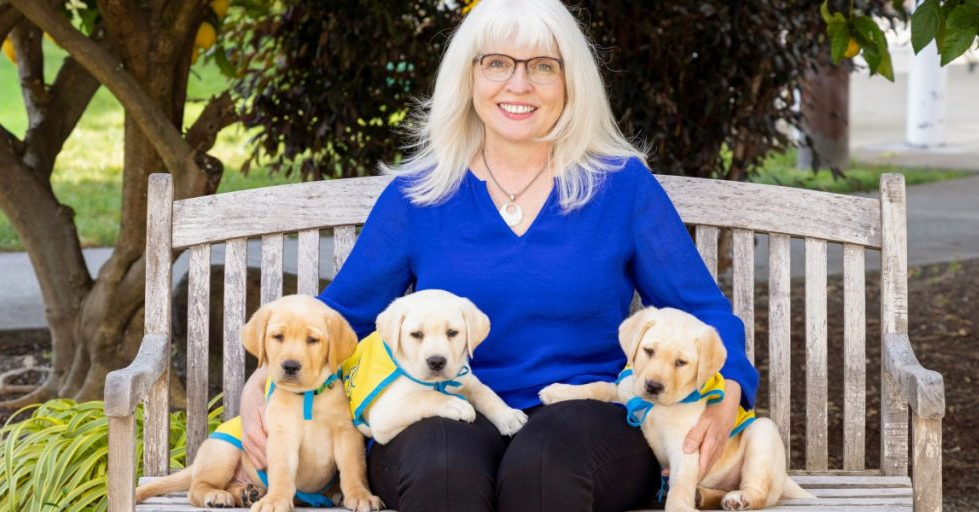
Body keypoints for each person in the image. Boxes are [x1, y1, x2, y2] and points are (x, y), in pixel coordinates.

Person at [240, 0, 759, 510]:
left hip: (585, 414)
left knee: (541, 473)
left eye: (542, 67)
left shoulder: (621, 188)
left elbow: (701, 311)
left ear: (571, 82)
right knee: (443, 475)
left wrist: (728, 391)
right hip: (441, 402)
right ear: (468, 78)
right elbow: (340, 320)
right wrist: (261, 386)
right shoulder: (419, 195)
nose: (519, 84)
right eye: (497, 64)